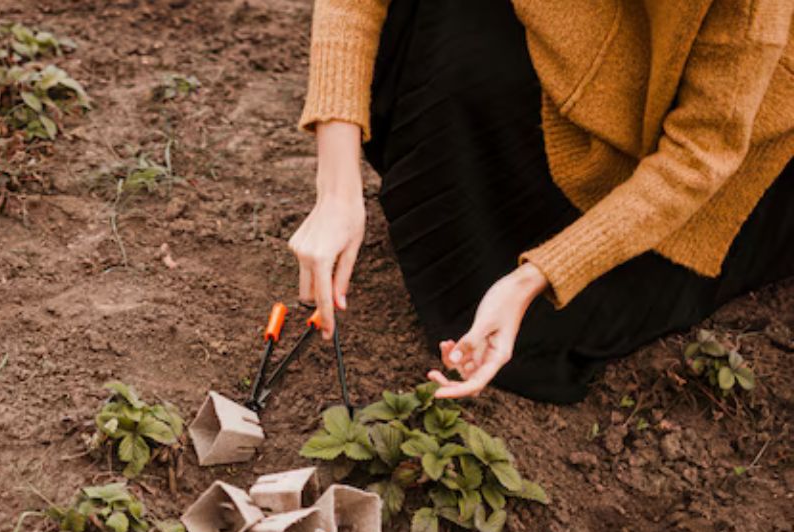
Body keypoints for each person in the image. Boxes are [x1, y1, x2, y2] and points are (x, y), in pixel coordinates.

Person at [289, 0, 794, 403]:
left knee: (530, 328)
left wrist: (537, 275)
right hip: (588, 40)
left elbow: (698, 157)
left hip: (723, 137)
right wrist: (336, 190)